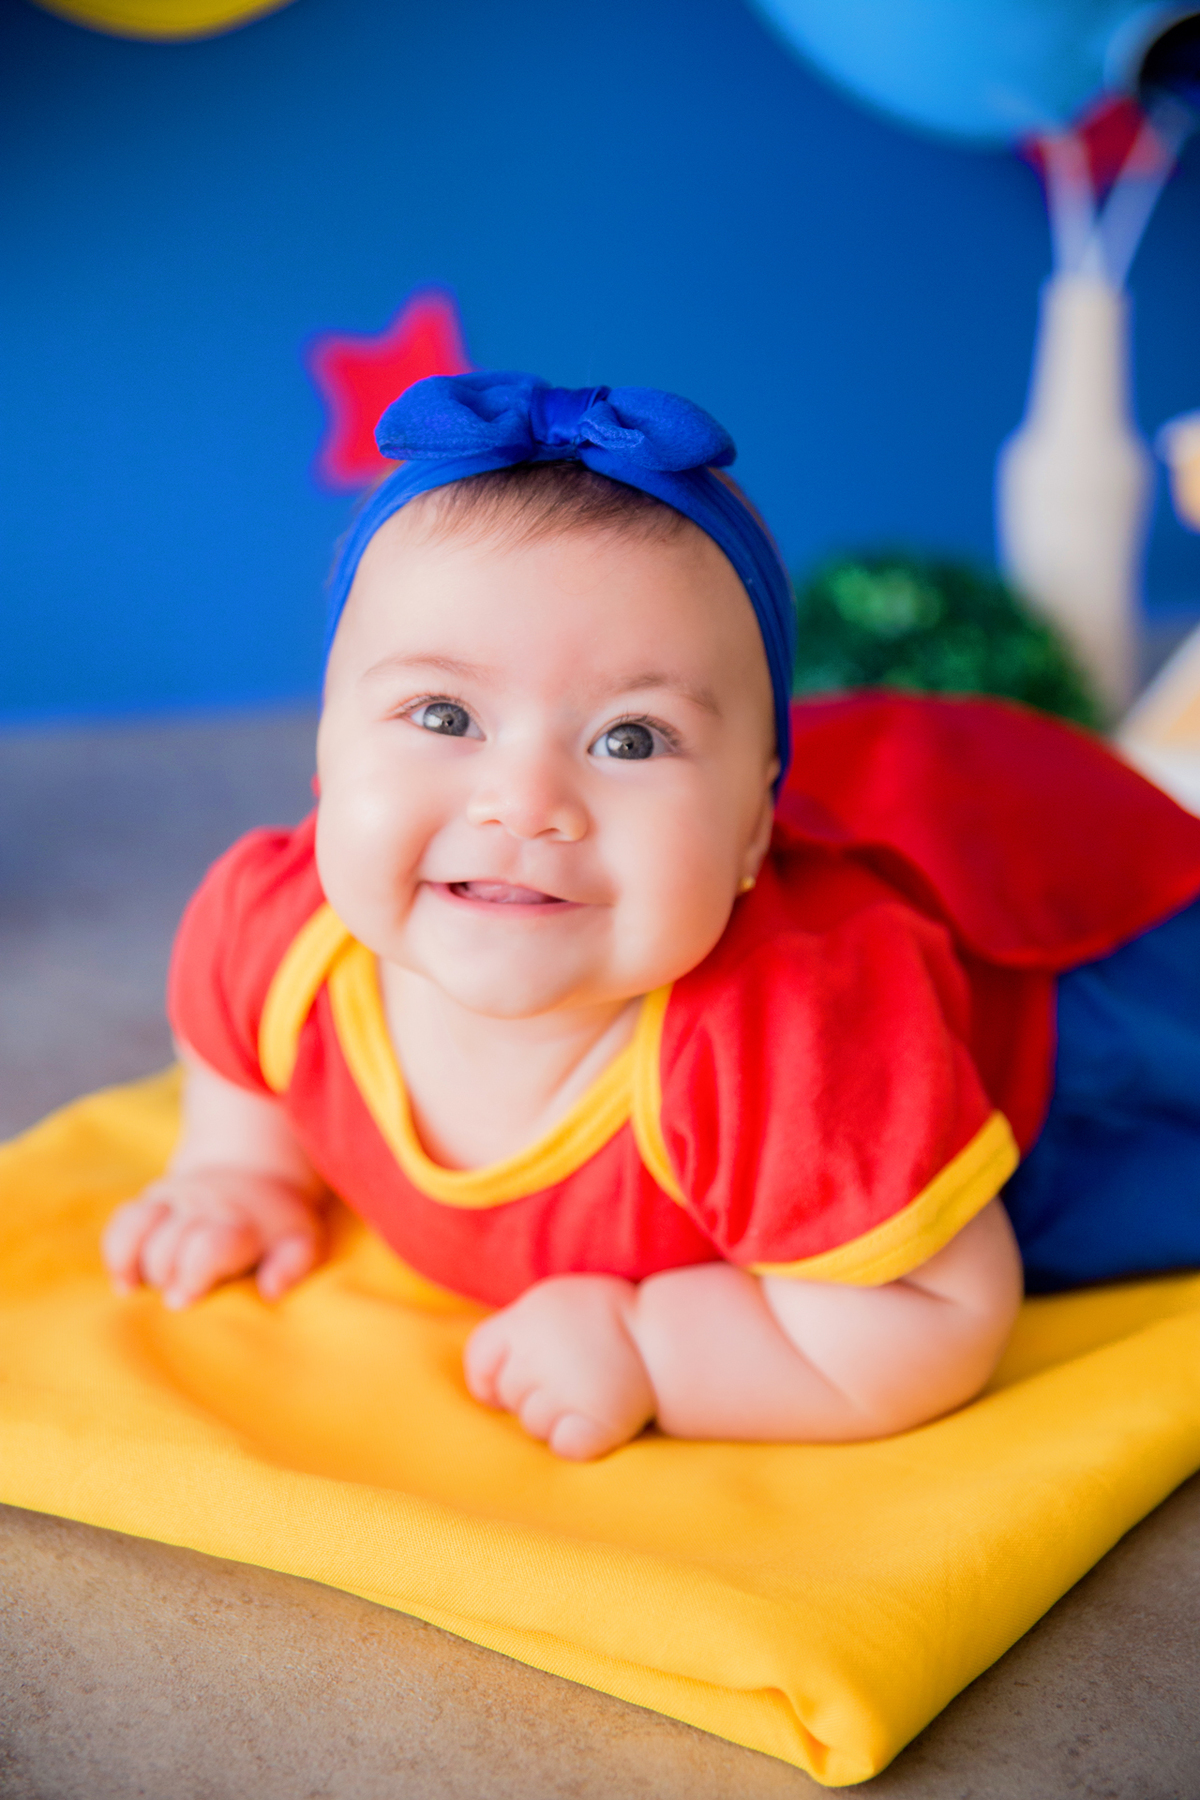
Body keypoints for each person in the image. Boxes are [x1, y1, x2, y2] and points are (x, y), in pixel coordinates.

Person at [101, 373, 1200, 1460]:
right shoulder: (276, 929)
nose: (526, 804)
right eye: (443, 714)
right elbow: (229, 1049)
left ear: (753, 836)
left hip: (1056, 969)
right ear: (326, 753)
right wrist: (236, 1169)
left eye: (631, 739)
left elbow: (936, 1314)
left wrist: (649, 1344)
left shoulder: (792, 1045)